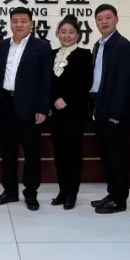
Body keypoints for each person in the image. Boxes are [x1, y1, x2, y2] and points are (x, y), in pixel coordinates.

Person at [0, 7, 52, 210]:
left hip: (30, 107)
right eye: (15, 21)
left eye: (23, 21)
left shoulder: (42, 46)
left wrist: (43, 108)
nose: (19, 25)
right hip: (5, 105)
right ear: (10, 23)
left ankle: (31, 193)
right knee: (7, 151)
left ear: (31, 24)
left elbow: (46, 80)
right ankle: (10, 191)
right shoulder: (1, 46)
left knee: (31, 152)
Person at [89, 4, 130, 214]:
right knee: (107, 154)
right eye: (99, 19)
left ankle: (119, 200)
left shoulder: (122, 45)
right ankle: (112, 193)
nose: (104, 22)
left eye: (108, 17)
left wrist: (117, 112)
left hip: (114, 110)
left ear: (116, 19)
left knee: (117, 156)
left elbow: (124, 82)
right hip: (100, 105)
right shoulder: (99, 45)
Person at [48, 16, 93, 209]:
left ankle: (72, 194)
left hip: (75, 112)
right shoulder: (51, 54)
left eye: (71, 32)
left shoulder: (85, 55)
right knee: (59, 153)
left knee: (73, 153)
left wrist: (66, 99)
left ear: (78, 35)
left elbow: (85, 83)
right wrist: (54, 99)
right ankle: (62, 191)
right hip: (55, 114)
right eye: (63, 32)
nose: (67, 36)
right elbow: (46, 82)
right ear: (58, 34)